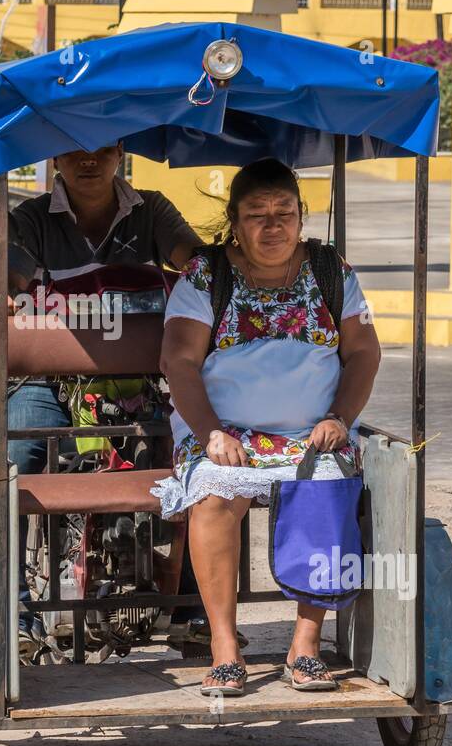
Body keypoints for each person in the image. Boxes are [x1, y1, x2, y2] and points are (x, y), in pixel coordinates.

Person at [152, 157, 381, 695]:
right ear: (235, 219)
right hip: (222, 431)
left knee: (328, 486)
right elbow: (179, 362)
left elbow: (364, 353)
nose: (273, 225)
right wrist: (210, 432)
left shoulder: (332, 272)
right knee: (213, 497)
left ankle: (305, 646)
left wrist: (339, 419)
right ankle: (224, 648)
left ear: (301, 216)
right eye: (257, 214)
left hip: (313, 434)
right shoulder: (206, 275)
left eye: (285, 212)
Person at [0, 142, 203, 653]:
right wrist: (11, 286)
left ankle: (190, 610)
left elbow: (195, 263)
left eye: (102, 147)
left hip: (136, 380)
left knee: (198, 460)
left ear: (122, 151)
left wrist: (218, 265)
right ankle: (17, 612)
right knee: (17, 457)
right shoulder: (30, 218)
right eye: (72, 149)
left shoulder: (151, 211)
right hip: (47, 378)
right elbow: (8, 282)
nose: (89, 159)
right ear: (54, 158)